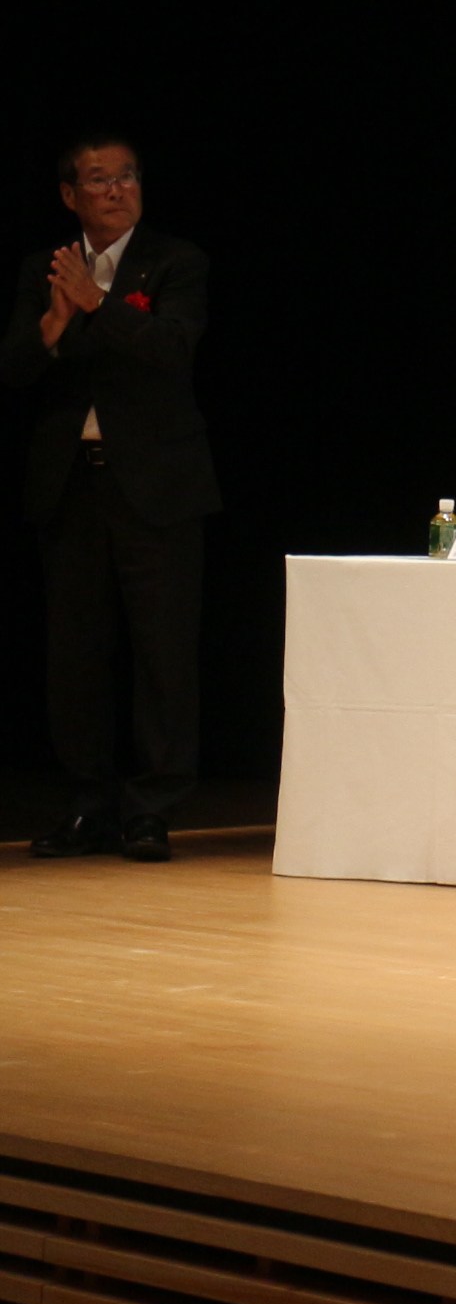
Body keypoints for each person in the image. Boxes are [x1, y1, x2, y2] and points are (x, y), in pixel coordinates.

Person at [4, 136, 219, 862]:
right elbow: (14, 369)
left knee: (163, 653)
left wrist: (98, 303)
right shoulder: (45, 267)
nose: (117, 189)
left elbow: (172, 349)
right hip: (71, 482)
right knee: (75, 656)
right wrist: (53, 322)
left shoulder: (176, 261)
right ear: (71, 195)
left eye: (128, 175)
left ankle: (152, 809)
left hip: (157, 485)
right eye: (99, 179)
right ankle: (88, 805)